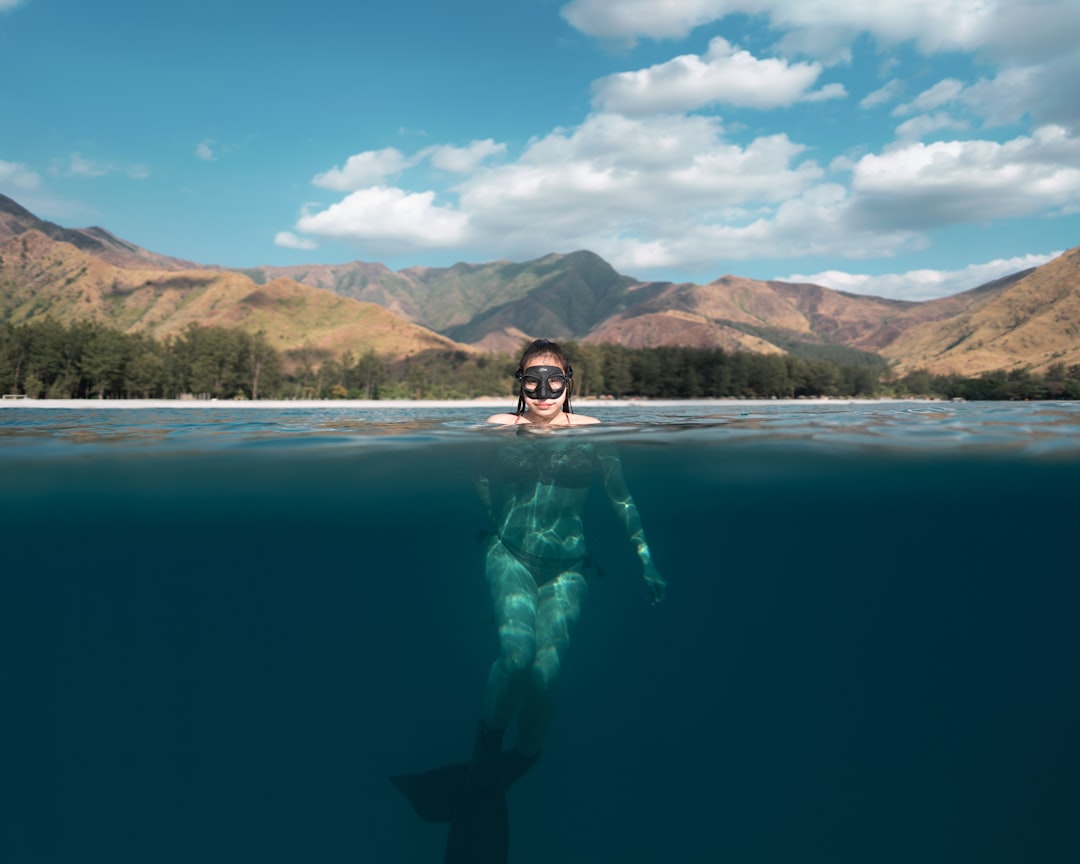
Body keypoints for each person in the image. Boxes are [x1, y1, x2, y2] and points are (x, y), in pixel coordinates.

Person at [392, 340, 665, 864]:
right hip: (509, 553)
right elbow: (473, 472)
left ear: (569, 381)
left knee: (545, 675)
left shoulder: (593, 434)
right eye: (533, 381)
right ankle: (486, 752)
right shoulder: (499, 426)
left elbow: (623, 499)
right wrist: (494, 516)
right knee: (516, 659)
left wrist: (646, 559)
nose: (544, 392)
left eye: (555, 380)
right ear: (519, 382)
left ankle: (524, 757)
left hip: (570, 566)